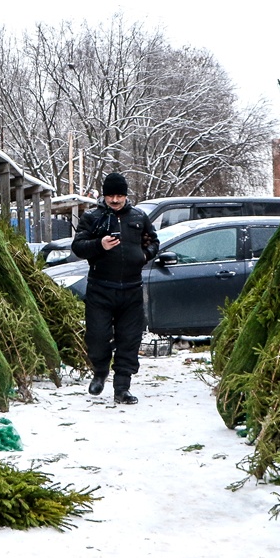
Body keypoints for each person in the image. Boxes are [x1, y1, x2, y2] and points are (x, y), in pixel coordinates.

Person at [72, 171, 159, 404]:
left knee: (129, 339)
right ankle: (100, 373)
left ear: (126, 196)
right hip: (100, 288)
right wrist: (99, 244)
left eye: (119, 195)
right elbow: (78, 246)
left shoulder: (138, 217)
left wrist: (144, 255)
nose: (115, 200)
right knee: (98, 336)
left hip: (131, 289)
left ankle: (122, 387)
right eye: (110, 195)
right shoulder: (92, 217)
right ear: (104, 195)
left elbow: (153, 241)